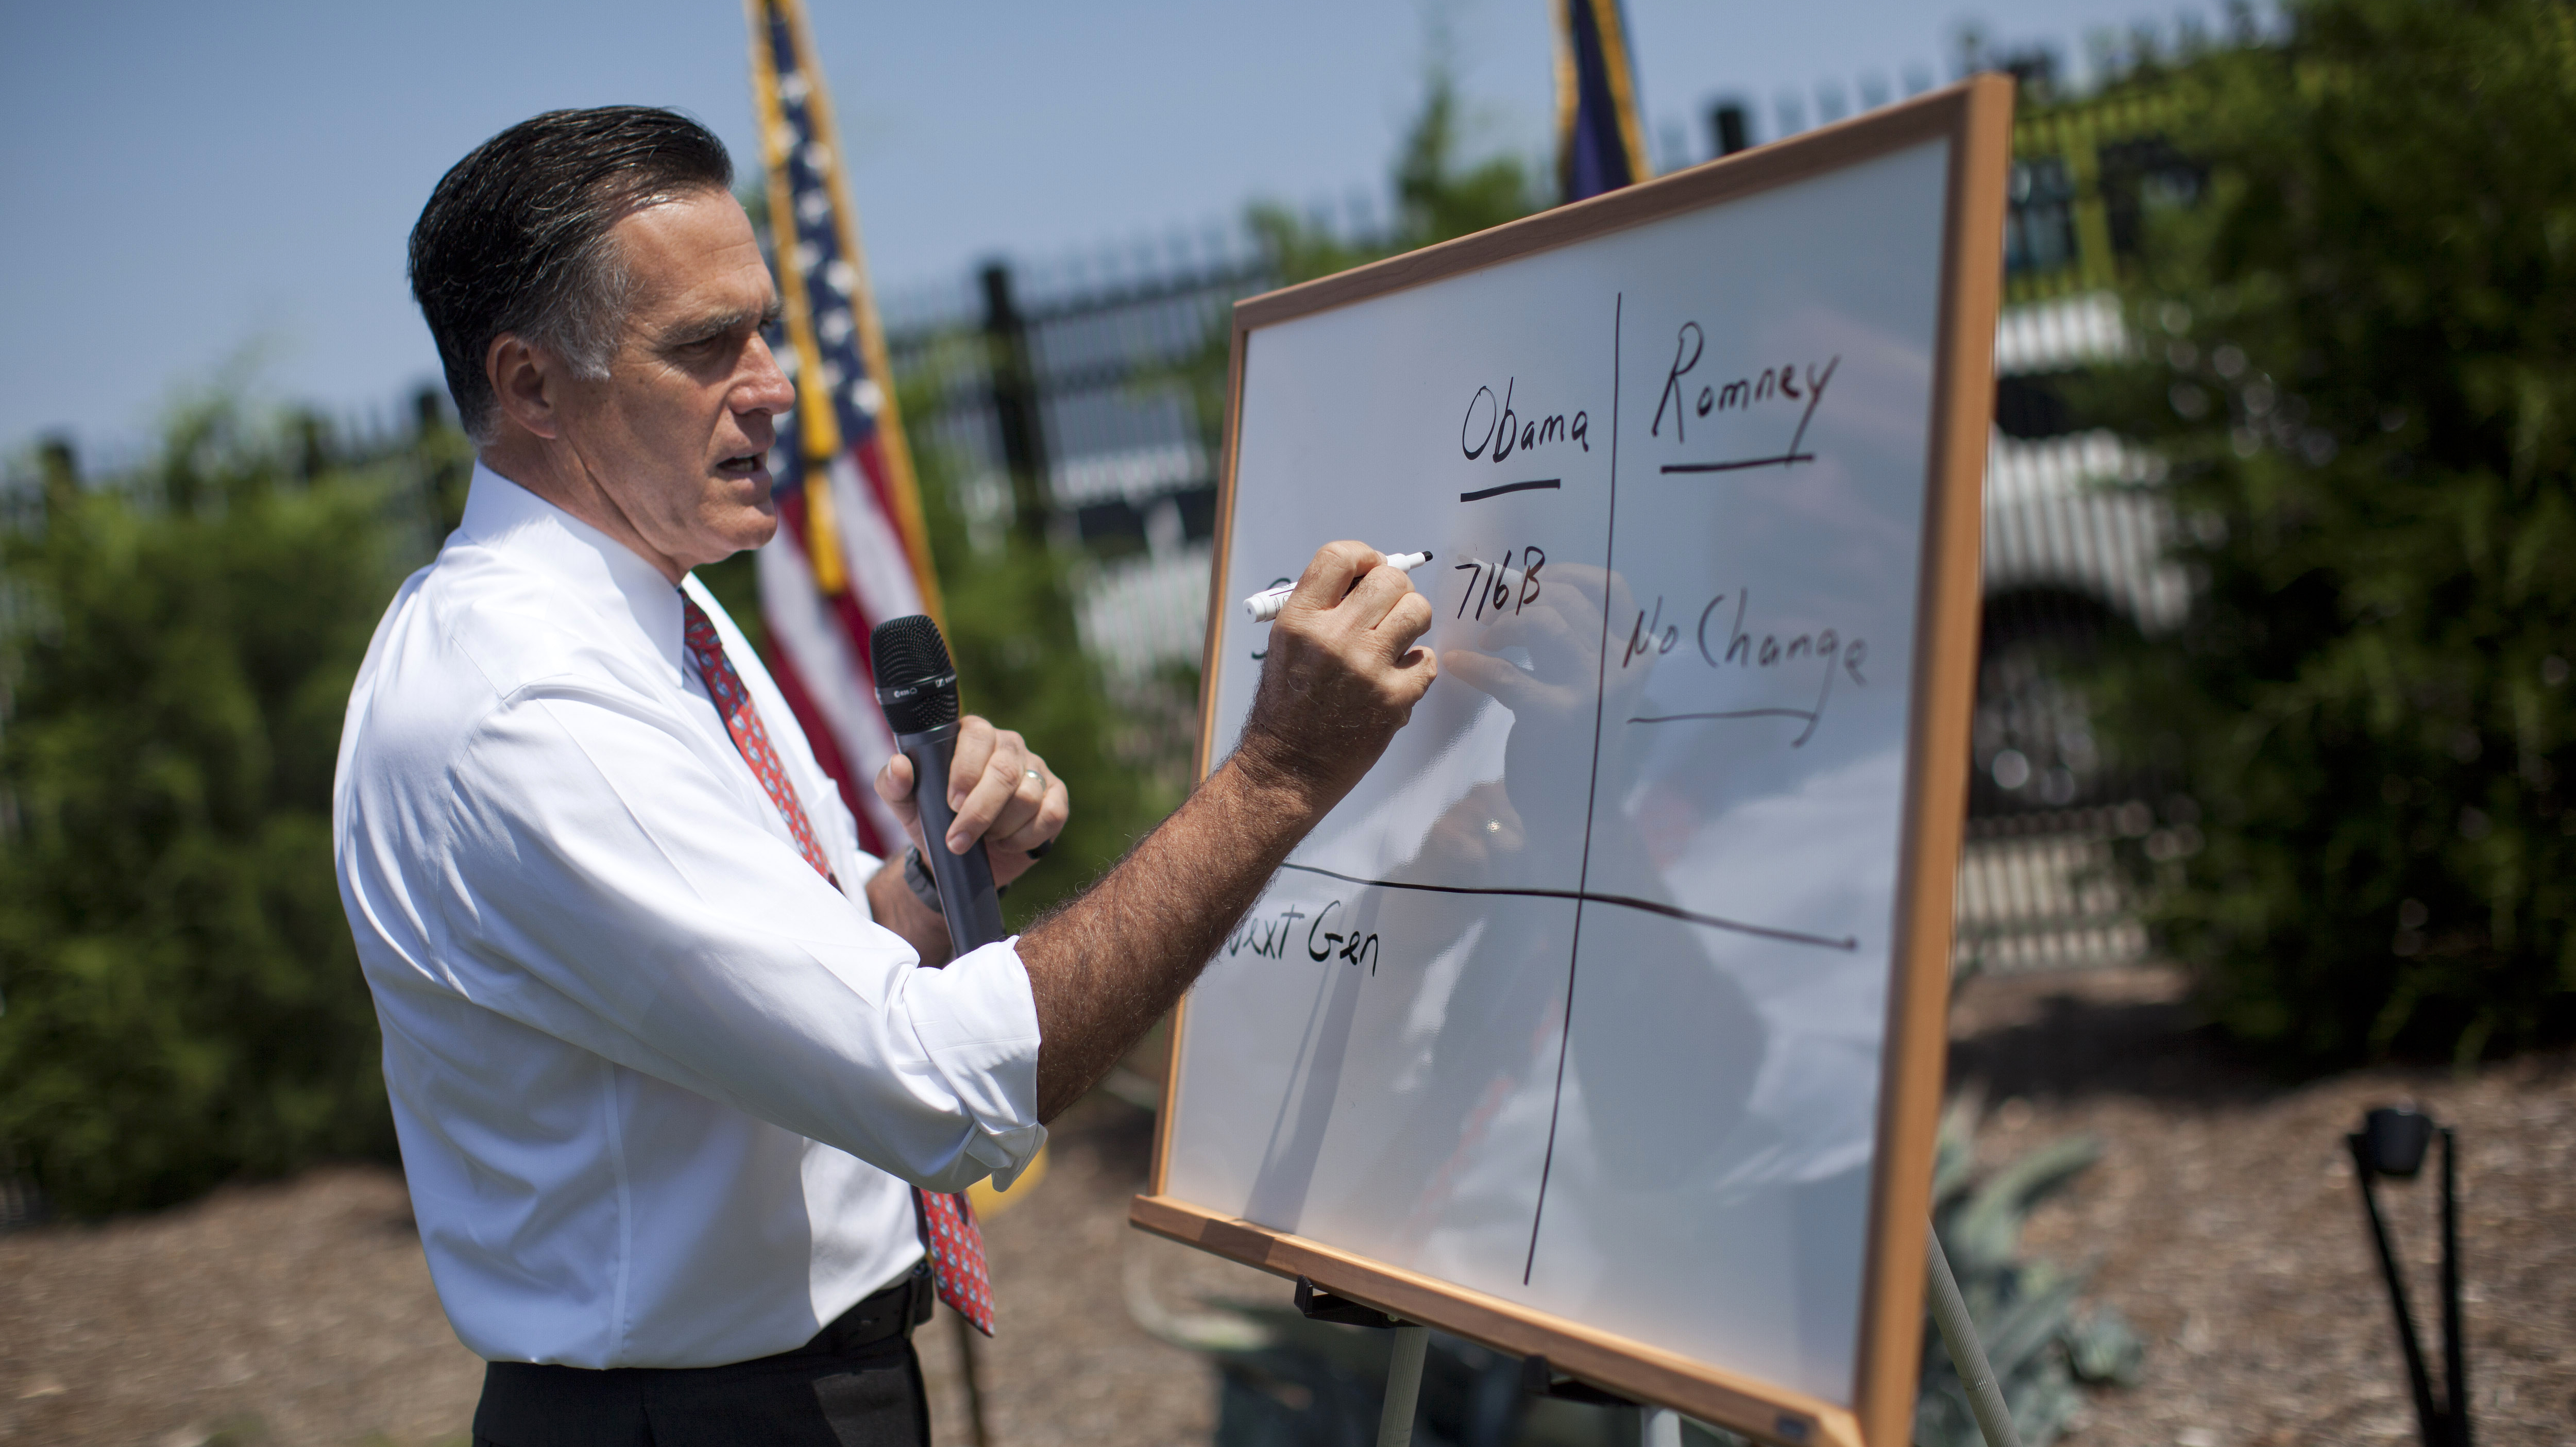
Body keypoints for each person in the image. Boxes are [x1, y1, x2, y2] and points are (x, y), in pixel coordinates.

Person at [333, 106, 1435, 1446]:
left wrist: (929, 886)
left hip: (764, 1391)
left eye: (766, 326)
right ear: (530, 387)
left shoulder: (648, 603)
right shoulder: (527, 700)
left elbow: (771, 968)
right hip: (696, 1419)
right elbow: (936, 1090)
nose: (775, 383)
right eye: (703, 346)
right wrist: (1276, 778)